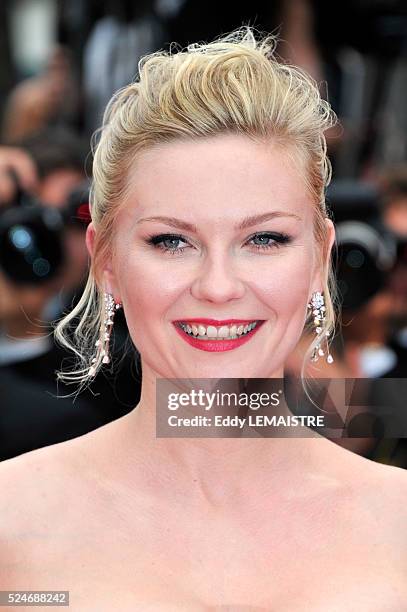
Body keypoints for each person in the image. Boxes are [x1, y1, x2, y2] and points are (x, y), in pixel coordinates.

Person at [0, 29, 406, 609]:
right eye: (171, 241)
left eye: (264, 238)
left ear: (321, 257)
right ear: (106, 261)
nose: (217, 287)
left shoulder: (399, 528)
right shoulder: (11, 525)